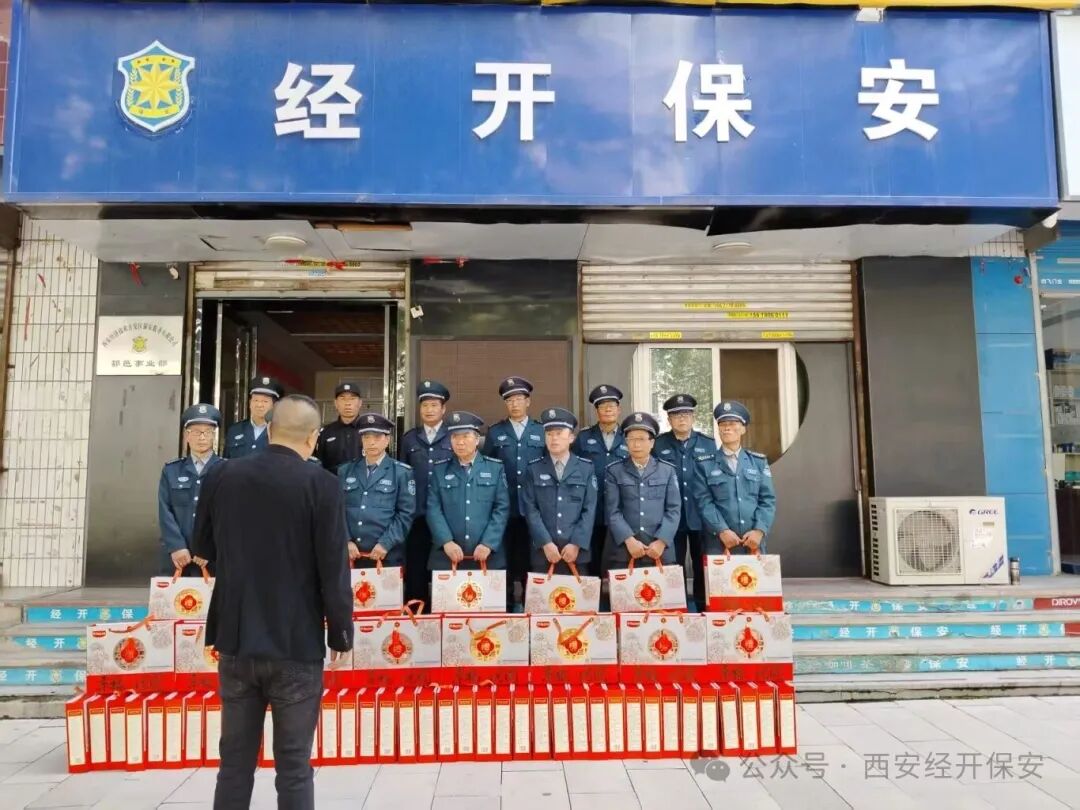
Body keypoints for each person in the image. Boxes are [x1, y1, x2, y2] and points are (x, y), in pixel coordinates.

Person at [190, 394, 353, 810]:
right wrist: (340, 633)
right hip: (295, 640)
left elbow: (202, 546)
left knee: (234, 761)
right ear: (313, 437)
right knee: (294, 763)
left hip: (236, 635)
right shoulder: (322, 484)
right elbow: (333, 567)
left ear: (270, 430)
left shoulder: (223, 475)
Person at [482, 376, 546, 610]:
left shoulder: (541, 430)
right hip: (505, 507)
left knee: (533, 557)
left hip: (535, 507)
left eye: (519, 399)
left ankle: (531, 604)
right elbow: (487, 466)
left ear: (528, 401)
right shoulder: (495, 432)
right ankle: (506, 604)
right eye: (510, 400)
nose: (515, 404)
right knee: (504, 557)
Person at [427, 411, 510, 574]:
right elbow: (433, 509)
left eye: (465, 436)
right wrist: (446, 541)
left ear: (477, 439)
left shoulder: (494, 468)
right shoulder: (440, 469)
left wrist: (488, 543)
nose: (460, 442)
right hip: (447, 556)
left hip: (487, 556)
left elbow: (502, 508)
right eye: (455, 437)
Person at [653, 393, 715, 608]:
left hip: (701, 515)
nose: (682, 418)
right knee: (673, 565)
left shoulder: (709, 444)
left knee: (702, 565)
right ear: (669, 419)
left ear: (693, 417)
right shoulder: (658, 444)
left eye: (686, 414)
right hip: (671, 518)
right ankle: (676, 608)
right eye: (676, 415)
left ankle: (702, 607)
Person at [692, 400, 777, 555]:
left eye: (732, 423)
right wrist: (722, 530)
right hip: (719, 543)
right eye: (722, 424)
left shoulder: (758, 462)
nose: (727, 428)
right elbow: (704, 502)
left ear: (743, 429)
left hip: (753, 543)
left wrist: (759, 530)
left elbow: (767, 500)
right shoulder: (705, 464)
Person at [521, 407, 598, 574]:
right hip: (543, 553)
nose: (554, 438)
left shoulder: (585, 468)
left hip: (577, 553)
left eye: (559, 433)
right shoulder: (534, 469)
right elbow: (531, 509)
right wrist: (545, 543)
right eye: (549, 434)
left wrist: (576, 543)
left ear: (571, 437)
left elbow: (589, 509)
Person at [399, 380, 453, 606]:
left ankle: (444, 610)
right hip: (417, 513)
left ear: (443, 408)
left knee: (445, 564)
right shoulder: (409, 438)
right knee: (416, 566)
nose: (429, 410)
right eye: (425, 405)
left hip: (446, 514)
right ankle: (416, 610)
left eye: (434, 405)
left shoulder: (453, 436)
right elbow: (402, 475)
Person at [603, 412, 681, 570]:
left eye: (641, 439)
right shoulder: (614, 471)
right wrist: (629, 540)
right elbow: (612, 511)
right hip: (624, 550)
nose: (636, 444)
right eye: (631, 439)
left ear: (652, 442)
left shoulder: (667, 470)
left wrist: (661, 541)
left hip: (660, 550)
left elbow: (673, 509)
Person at [338, 413, 416, 568]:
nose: (371, 442)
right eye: (366, 437)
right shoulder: (346, 471)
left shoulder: (401, 472)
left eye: (377, 437)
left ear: (387, 440)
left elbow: (406, 514)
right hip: (352, 554)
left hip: (387, 554)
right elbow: (337, 509)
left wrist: (385, 543)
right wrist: (346, 540)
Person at [158, 403, 224, 576]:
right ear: (187, 436)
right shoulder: (171, 470)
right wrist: (176, 546)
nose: (202, 437)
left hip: (214, 557)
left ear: (214, 436)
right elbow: (165, 511)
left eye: (207, 432)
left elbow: (229, 514)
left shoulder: (227, 470)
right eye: (196, 432)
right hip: (178, 557)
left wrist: (209, 548)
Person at [572, 384, 629, 576]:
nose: (608, 409)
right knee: (593, 559)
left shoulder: (630, 436)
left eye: (611, 405)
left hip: (622, 509)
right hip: (592, 509)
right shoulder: (583, 437)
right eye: (603, 406)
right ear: (596, 411)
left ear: (619, 409)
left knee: (620, 560)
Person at [224, 376, 284, 459]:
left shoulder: (282, 432)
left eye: (265, 401)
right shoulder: (235, 430)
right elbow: (226, 462)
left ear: (275, 405)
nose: (259, 405)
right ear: (250, 403)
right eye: (256, 400)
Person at [315, 381, 364, 472]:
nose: (348, 403)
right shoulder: (325, 433)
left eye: (352, 398)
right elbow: (318, 464)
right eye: (343, 398)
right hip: (332, 480)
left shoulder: (368, 430)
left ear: (360, 403)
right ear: (336, 403)